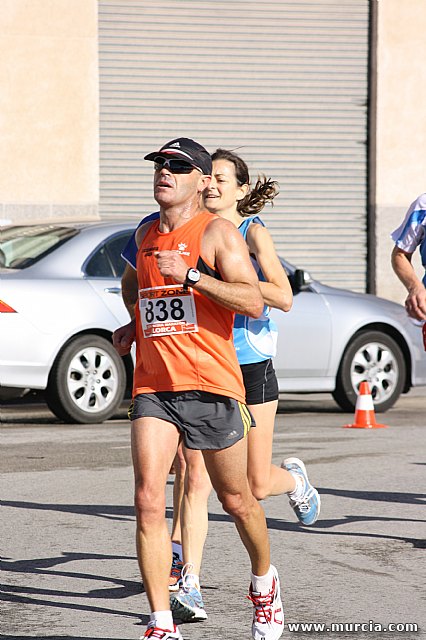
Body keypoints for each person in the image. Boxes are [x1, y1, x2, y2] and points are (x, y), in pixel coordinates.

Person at [112, 137, 284, 640]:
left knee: (237, 499)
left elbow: (252, 301)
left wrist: (192, 276)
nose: (164, 172)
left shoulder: (218, 234)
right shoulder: (143, 232)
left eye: (178, 166)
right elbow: (134, 288)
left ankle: (263, 582)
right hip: (155, 387)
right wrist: (133, 324)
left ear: (203, 180)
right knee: (148, 497)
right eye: (160, 165)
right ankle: (162, 623)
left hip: (211, 384)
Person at [169, 149, 321, 622]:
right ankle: (187, 581)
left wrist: (226, 284)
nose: (211, 185)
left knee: (253, 485)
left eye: (220, 179)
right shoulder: (192, 230)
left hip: (251, 368)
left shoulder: (251, 232)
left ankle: (295, 480)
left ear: (239, 188)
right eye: (207, 177)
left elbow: (284, 297)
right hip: (204, 367)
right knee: (194, 474)